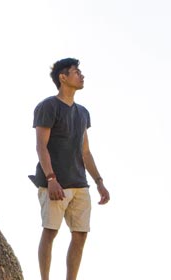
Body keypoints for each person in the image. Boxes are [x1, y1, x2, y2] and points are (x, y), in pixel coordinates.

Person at [31, 57, 111, 280]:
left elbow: (85, 152)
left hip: (79, 183)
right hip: (55, 182)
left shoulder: (83, 112)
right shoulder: (48, 106)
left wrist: (99, 182)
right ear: (63, 77)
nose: (82, 75)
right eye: (76, 72)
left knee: (80, 234)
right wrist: (51, 178)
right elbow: (41, 146)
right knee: (50, 231)